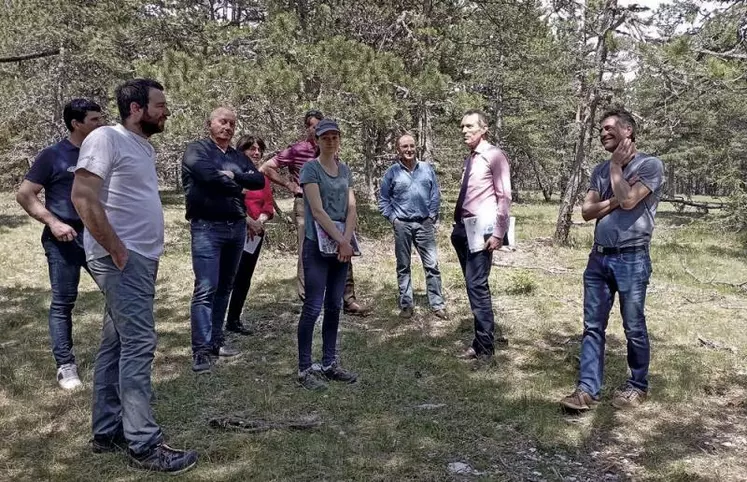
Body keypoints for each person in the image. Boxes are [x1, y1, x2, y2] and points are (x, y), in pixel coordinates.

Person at [71, 78, 198, 474]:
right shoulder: (107, 138)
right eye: (159, 105)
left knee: (117, 344)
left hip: (137, 260)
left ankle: (107, 430)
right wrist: (117, 248)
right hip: (123, 261)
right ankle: (143, 444)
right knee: (140, 343)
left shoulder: (139, 146)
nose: (166, 111)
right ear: (136, 108)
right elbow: (82, 196)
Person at [560, 108, 664, 411]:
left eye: (609, 128)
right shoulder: (598, 170)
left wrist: (617, 168)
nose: (603, 133)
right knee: (593, 326)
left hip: (632, 258)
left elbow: (631, 201)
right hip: (599, 259)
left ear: (628, 130)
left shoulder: (650, 165)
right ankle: (586, 390)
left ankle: (637, 385)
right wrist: (616, 197)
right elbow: (586, 212)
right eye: (600, 130)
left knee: (633, 325)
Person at [16, 99, 104, 390]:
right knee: (64, 302)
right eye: (94, 120)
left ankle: (118, 355)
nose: (100, 124)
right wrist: (54, 222)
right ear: (76, 123)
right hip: (64, 239)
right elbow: (25, 194)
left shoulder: (104, 152)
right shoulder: (53, 155)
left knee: (118, 293)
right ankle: (65, 366)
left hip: (100, 235)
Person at [182, 107, 267, 373]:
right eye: (222, 122)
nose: (227, 127)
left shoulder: (235, 155)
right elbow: (206, 176)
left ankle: (216, 340)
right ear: (210, 124)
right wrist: (235, 181)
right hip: (207, 227)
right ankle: (201, 350)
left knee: (225, 287)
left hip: (236, 226)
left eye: (232, 123)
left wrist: (233, 177)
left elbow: (258, 180)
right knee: (206, 287)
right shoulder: (197, 150)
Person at [259, 110, 368, 315]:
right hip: (306, 206)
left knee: (343, 248)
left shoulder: (333, 150)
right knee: (307, 250)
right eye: (313, 126)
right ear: (309, 129)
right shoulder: (297, 150)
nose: (319, 130)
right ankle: (308, 298)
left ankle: (347, 298)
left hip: (334, 207)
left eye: (322, 126)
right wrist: (290, 184)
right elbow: (267, 167)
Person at [296, 119, 359, 390]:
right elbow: (318, 210)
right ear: (317, 141)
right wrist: (339, 239)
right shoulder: (311, 169)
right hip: (317, 245)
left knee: (334, 305)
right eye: (326, 137)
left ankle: (330, 362)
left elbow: (352, 208)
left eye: (335, 137)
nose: (331, 141)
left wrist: (346, 241)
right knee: (313, 306)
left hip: (341, 246)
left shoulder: (345, 171)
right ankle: (305, 368)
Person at [451, 109, 512, 363]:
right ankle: (479, 342)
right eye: (462, 127)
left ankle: (486, 348)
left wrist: (498, 233)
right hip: (464, 228)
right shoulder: (471, 158)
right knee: (472, 285)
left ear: (483, 128)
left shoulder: (494, 156)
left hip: (483, 230)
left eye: (470, 127)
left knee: (477, 286)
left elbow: (504, 196)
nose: (465, 131)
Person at [379, 133, 446, 319]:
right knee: (403, 265)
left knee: (432, 265)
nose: (409, 150)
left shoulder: (426, 169)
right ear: (398, 150)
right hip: (402, 225)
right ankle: (406, 304)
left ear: (416, 147)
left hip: (424, 223)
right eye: (404, 147)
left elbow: (435, 194)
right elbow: (383, 199)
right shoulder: (392, 172)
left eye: (411, 146)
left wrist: (432, 215)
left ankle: (437, 304)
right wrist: (393, 219)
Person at [225, 135, 274, 335]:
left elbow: (268, 205)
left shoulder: (261, 178)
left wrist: (259, 221)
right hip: (233, 230)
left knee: (244, 278)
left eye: (258, 149)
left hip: (254, 236)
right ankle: (214, 320)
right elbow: (229, 202)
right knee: (226, 278)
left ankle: (234, 320)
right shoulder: (232, 174)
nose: (256, 153)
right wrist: (248, 221)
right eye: (251, 149)